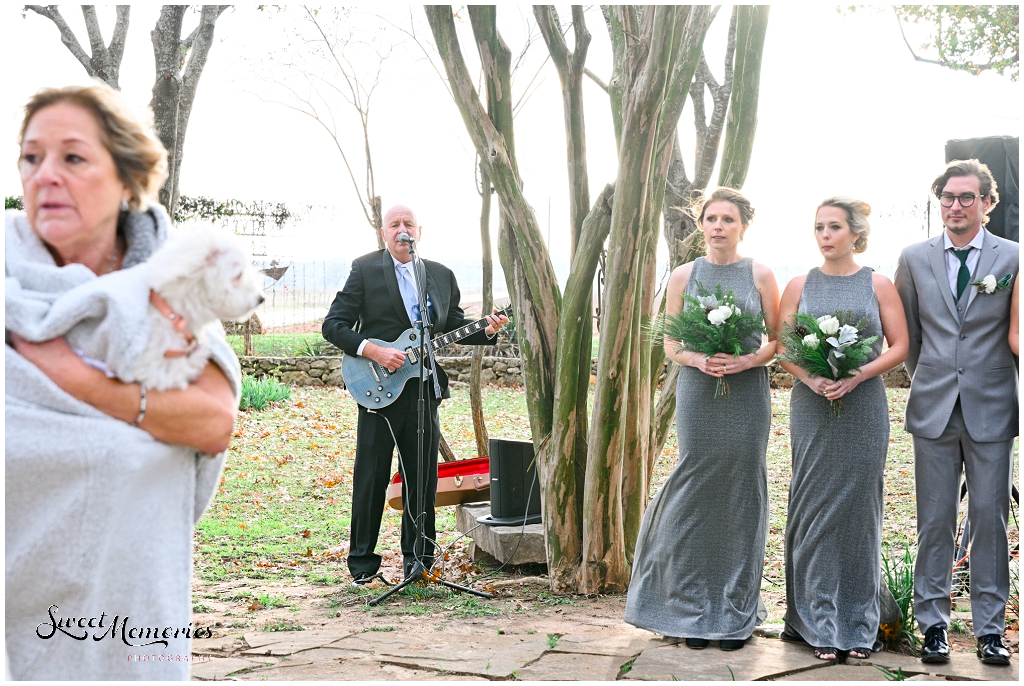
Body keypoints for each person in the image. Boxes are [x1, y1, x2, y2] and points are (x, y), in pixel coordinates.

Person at [5, 84, 240, 679]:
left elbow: (212, 421)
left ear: (128, 178)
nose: (45, 176)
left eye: (73, 158)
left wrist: (70, 374)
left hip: (126, 616)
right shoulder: (8, 272)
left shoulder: (168, 283)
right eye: (31, 158)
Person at [624, 188, 780, 650]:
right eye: (710, 218)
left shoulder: (762, 274)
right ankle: (687, 606)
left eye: (727, 219)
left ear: (742, 227)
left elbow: (777, 341)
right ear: (701, 225)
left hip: (747, 392)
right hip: (699, 391)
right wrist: (698, 360)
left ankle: (734, 608)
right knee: (696, 489)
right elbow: (671, 343)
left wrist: (747, 361)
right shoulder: (683, 276)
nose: (718, 226)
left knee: (740, 491)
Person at [322, 205, 508, 584]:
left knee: (421, 477)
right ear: (383, 232)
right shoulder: (365, 269)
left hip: (422, 388)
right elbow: (333, 324)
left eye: (408, 225)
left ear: (418, 232)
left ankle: (418, 561)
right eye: (395, 225)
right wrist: (373, 351)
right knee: (371, 474)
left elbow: (454, 327)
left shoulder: (439, 275)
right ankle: (362, 565)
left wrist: (486, 329)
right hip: (376, 386)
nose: (402, 230)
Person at [894, 159, 1018, 666]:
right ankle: (933, 626)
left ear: (988, 204)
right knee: (935, 520)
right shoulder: (914, 257)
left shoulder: (1013, 257)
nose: (955, 206)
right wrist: (934, 377)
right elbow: (909, 338)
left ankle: (991, 630)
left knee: (990, 519)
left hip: (992, 408)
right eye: (947, 197)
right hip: (934, 407)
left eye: (967, 197)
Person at [777, 197, 909, 661]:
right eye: (819, 227)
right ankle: (814, 621)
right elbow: (785, 348)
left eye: (834, 226)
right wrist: (812, 377)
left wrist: (859, 375)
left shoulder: (878, 283)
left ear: (856, 233)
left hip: (864, 406)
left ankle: (856, 623)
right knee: (812, 509)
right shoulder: (798, 284)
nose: (825, 235)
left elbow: (900, 345)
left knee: (857, 511)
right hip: (811, 407)